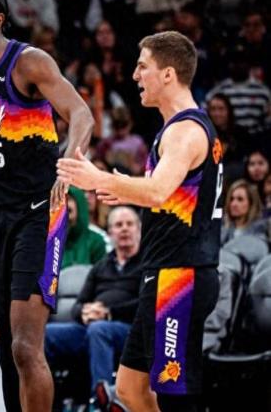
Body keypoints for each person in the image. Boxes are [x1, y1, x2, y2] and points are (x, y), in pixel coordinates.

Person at [57, 31, 223, 412]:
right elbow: (168, 193)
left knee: (173, 394)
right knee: (130, 388)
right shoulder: (179, 128)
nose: (135, 75)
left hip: (180, 276)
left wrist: (100, 179)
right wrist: (127, 190)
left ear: (168, 74)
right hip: (163, 272)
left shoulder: (185, 131)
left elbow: (158, 191)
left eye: (142, 66)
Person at [0, 0, 94, 411]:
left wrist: (69, 164)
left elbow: (81, 113)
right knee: (3, 346)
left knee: (26, 346)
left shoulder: (28, 61)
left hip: (39, 212)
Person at [45, 206, 142, 401]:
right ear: (110, 232)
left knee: (99, 330)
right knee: (45, 334)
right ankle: (46, 400)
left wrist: (109, 313)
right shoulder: (101, 266)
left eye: (129, 224)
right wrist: (84, 312)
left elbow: (145, 305)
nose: (124, 229)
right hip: (93, 328)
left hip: (131, 332)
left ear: (139, 230)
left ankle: (100, 403)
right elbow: (78, 305)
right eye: (118, 225)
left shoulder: (148, 264)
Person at [62, 186, 107, 269]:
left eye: (69, 199)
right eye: (61, 200)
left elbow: (102, 274)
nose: (65, 204)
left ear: (80, 204)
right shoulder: (51, 241)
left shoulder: (95, 241)